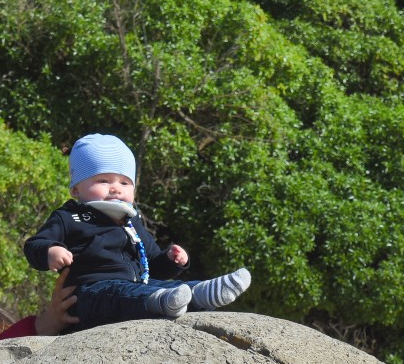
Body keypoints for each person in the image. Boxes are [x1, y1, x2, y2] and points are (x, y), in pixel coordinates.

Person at [24, 133, 251, 326]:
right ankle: (160, 302)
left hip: (136, 286)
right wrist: (50, 251)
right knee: (118, 293)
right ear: (76, 189)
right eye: (103, 181)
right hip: (89, 294)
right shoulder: (69, 216)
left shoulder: (131, 221)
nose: (115, 189)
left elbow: (152, 264)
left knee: (163, 287)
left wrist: (171, 261)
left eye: (124, 183)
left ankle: (199, 293)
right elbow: (34, 245)